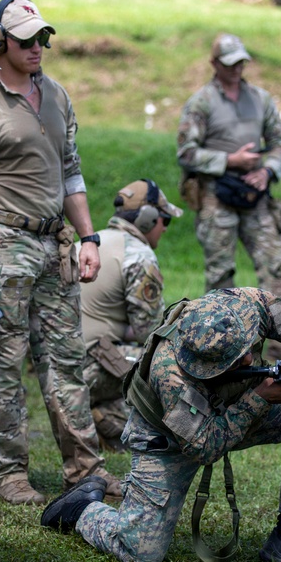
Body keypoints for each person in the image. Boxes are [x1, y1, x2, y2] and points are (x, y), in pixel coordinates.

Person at [40, 288, 281, 562]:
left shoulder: (250, 304)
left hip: (234, 408)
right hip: (168, 437)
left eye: (248, 349)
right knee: (140, 550)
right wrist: (261, 399)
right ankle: (83, 510)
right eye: (236, 361)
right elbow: (204, 446)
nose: (250, 359)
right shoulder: (171, 376)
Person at [0, 0, 121, 506]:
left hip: (55, 245)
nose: (37, 47)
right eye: (26, 39)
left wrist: (89, 237)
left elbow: (71, 170)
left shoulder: (57, 95)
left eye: (43, 37)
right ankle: (8, 474)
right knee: (4, 363)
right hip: (3, 242)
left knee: (67, 360)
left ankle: (85, 469)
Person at [176, 33, 281, 302]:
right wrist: (230, 161)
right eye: (229, 63)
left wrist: (268, 172)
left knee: (279, 266)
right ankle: (226, 338)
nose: (236, 69)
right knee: (221, 275)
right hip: (216, 194)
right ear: (214, 63)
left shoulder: (260, 99)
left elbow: (279, 141)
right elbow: (186, 153)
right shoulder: (201, 102)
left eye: (241, 62)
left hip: (256, 193)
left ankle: (280, 340)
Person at [77, 178, 182, 453]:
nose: (165, 229)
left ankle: (104, 417)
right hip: (91, 366)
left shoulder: (89, 243)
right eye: (165, 221)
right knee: (170, 361)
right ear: (148, 219)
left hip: (65, 364)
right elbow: (152, 333)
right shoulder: (139, 255)